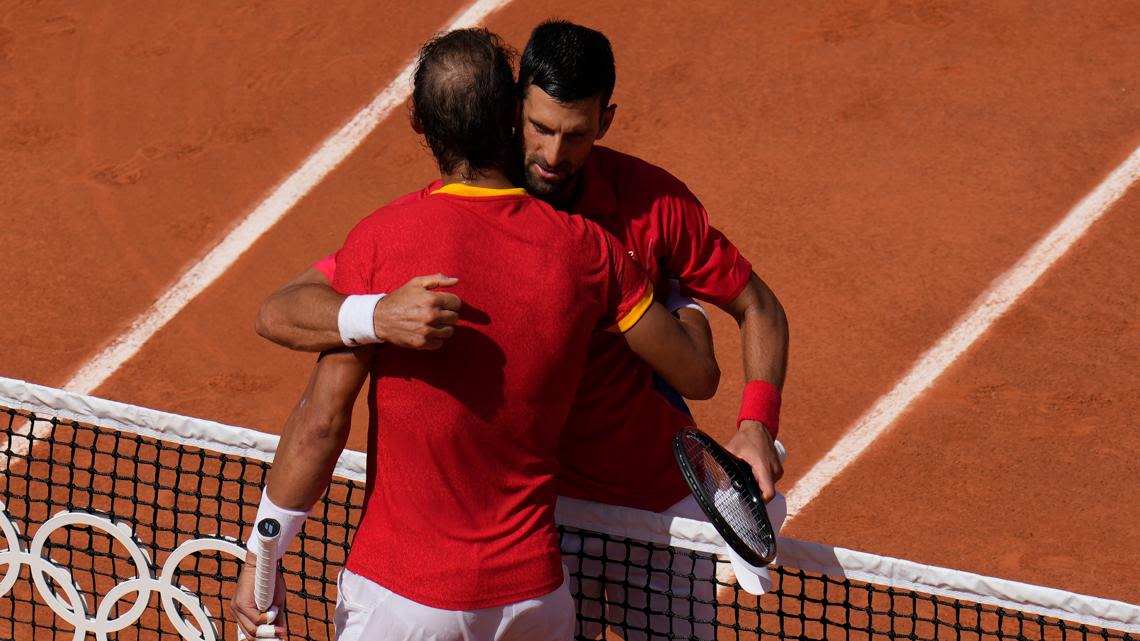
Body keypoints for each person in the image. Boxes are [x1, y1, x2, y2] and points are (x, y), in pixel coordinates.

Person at [256, 20, 790, 639]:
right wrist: (376, 314)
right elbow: (291, 304)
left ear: (606, 122)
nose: (554, 156)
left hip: (654, 508)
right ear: (514, 111)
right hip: (542, 524)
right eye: (540, 129)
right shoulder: (459, 208)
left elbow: (758, 311)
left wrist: (756, 425)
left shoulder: (653, 205)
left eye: (576, 135)